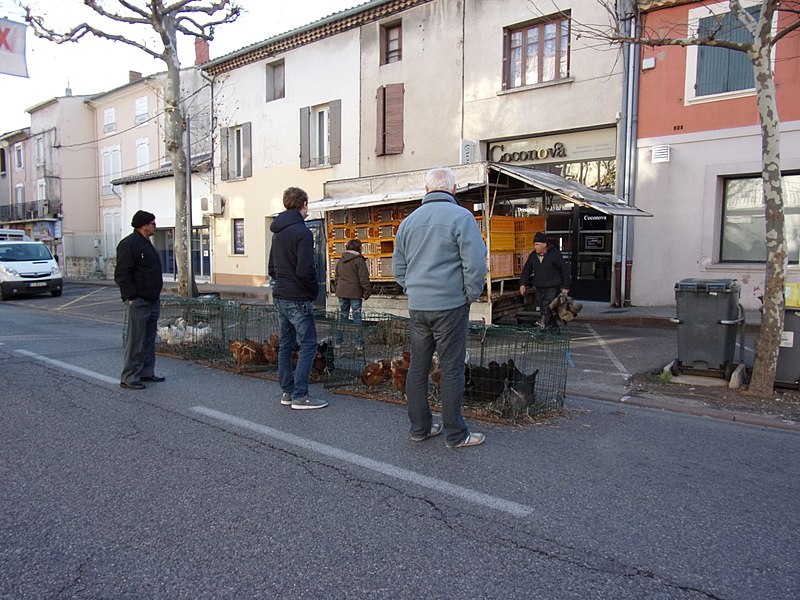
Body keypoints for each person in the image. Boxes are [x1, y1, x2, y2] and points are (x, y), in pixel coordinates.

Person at [393, 167, 488, 448]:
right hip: (450, 305)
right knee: (451, 369)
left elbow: (398, 267)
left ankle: (420, 428)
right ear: (454, 189)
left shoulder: (408, 222)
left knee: (418, 368)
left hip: (419, 306)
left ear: (426, 190)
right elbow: (476, 263)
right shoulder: (462, 217)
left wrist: (412, 288)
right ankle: (456, 434)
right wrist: (469, 294)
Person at [268, 187, 328, 410]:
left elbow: (271, 267)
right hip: (298, 296)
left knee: (286, 344)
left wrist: (282, 280)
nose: (308, 208)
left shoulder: (278, 231)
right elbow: (305, 269)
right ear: (303, 203)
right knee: (309, 343)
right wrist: (313, 292)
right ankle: (301, 395)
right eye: (308, 203)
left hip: (281, 293)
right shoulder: (302, 232)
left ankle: (287, 391)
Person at [114, 210, 164, 390]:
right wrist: (131, 297)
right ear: (143, 225)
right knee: (136, 339)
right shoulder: (129, 244)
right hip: (140, 300)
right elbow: (122, 273)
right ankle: (129, 377)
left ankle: (146, 372)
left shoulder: (146, 243)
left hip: (152, 299)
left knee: (149, 339)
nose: (155, 226)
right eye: (152, 223)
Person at [519, 232, 571, 329]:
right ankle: (554, 330)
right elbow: (527, 270)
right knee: (544, 309)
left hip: (552, 287)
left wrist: (566, 286)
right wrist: (522, 284)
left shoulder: (555, 254)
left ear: (544, 244)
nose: (535, 247)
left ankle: (541, 327)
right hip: (539, 287)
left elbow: (565, 270)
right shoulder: (533, 256)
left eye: (537, 244)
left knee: (547, 307)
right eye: (534, 245)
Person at [334, 238, 371, 351]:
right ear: (358, 248)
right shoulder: (359, 260)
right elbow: (363, 278)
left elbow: (336, 276)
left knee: (343, 316)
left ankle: (338, 342)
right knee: (357, 318)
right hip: (355, 293)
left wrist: (338, 287)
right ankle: (358, 343)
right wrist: (367, 291)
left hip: (342, 292)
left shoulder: (341, 260)